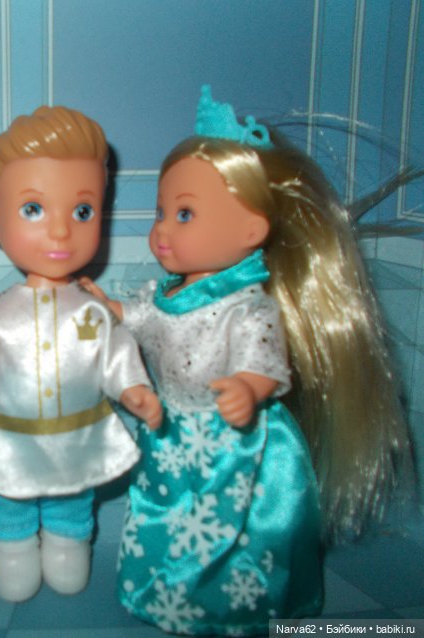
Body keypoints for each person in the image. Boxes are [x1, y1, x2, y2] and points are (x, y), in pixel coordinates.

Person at [83, 85, 408, 635]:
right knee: (166, 516)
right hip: (172, 435)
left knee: (234, 531)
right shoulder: (168, 293)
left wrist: (249, 388)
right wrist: (107, 306)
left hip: (236, 447)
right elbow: (141, 317)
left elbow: (264, 361)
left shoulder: (249, 308)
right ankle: (165, 594)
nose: (161, 229)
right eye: (162, 211)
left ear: (251, 230)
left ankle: (236, 607)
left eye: (184, 213)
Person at [0, 105, 162, 603]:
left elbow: (116, 356)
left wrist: (134, 389)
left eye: (82, 212)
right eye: (33, 210)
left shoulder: (93, 312)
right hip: (12, 442)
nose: (61, 231)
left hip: (78, 440)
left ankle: (68, 543)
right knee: (8, 504)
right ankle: (11, 547)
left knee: (73, 500)